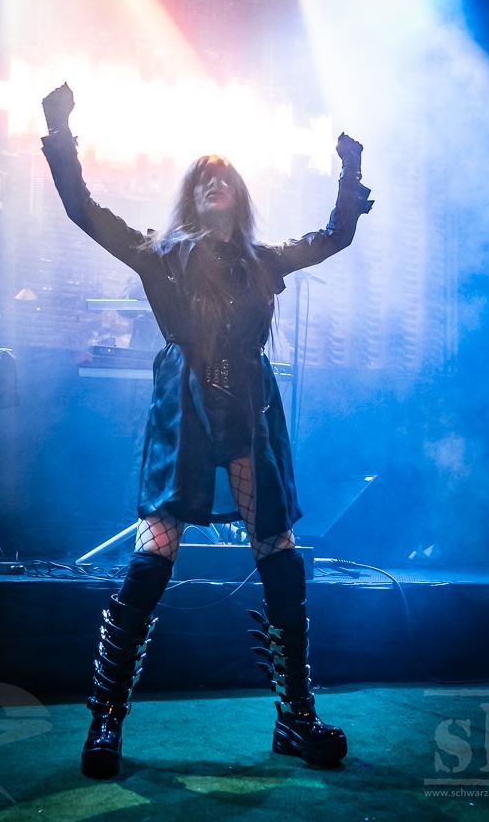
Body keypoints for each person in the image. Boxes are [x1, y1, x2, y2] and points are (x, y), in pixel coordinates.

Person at [41, 82, 374, 779]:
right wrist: (60, 131)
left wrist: (350, 173)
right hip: (185, 403)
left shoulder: (263, 259)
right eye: (202, 177)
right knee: (154, 553)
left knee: (275, 544)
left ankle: (295, 716)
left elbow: (336, 237)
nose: (214, 181)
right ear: (191, 196)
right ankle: (106, 718)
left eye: (224, 175)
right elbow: (81, 209)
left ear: (239, 194)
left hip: (249, 404)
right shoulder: (158, 252)